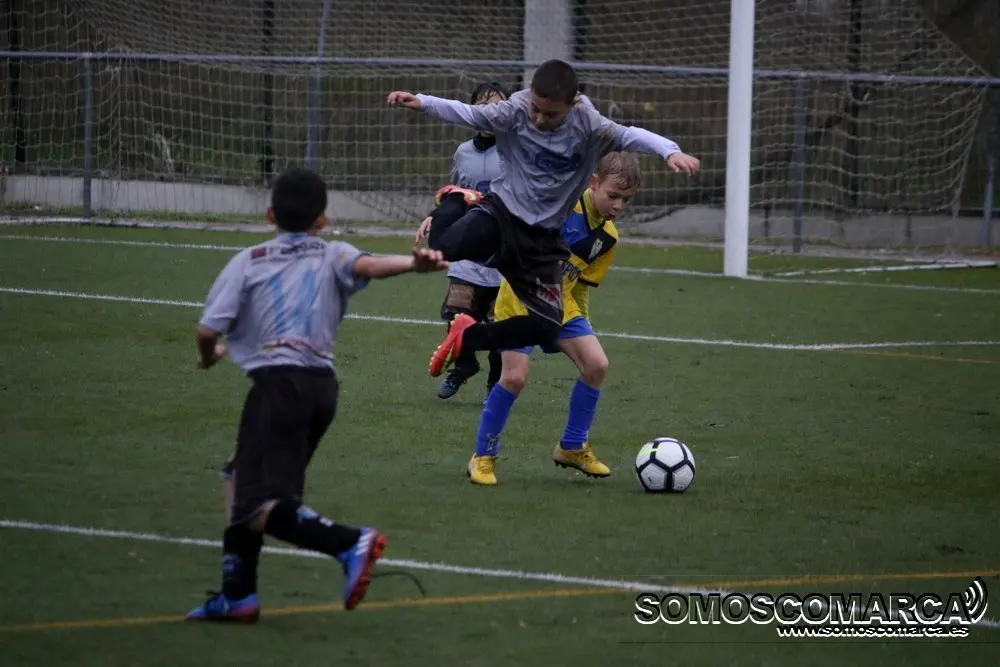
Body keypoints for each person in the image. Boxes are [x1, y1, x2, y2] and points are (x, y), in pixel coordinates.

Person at [186, 166, 449, 623]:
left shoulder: (250, 260)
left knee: (253, 502)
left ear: (269, 213)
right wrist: (413, 263)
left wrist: (210, 356)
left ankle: (348, 542)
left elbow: (208, 330)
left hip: (278, 387)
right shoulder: (333, 254)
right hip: (321, 390)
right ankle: (238, 595)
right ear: (323, 220)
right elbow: (370, 265)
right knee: (241, 480)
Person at [387, 58, 700, 380]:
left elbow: (630, 135)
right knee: (441, 247)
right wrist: (422, 101)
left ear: (572, 104)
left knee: (548, 325)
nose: (538, 118)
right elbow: (470, 114)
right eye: (535, 109)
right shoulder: (516, 109)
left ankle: (468, 338)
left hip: (542, 241)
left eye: (549, 114)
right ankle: (457, 197)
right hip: (502, 215)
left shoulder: (591, 125)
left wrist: (669, 151)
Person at [467, 152, 639, 485]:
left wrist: (583, 326)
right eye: (613, 195)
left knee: (596, 364)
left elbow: (581, 286)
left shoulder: (608, 237)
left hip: (561, 304)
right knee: (514, 378)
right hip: (520, 297)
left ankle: (571, 446)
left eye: (626, 199)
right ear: (594, 183)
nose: (618, 205)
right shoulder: (562, 205)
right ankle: (483, 456)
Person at [415, 81, 509, 401]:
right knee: (456, 316)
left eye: (497, 106)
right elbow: (455, 195)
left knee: (501, 326)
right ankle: (465, 365)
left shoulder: (516, 149)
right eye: (482, 106)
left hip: (504, 253)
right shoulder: (463, 152)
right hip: (468, 248)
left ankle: (496, 385)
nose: (489, 113)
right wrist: (435, 215)